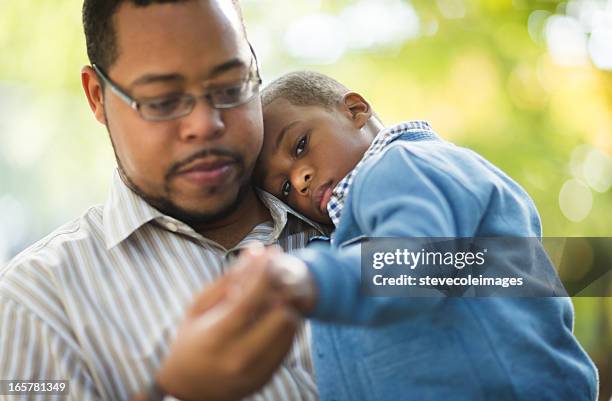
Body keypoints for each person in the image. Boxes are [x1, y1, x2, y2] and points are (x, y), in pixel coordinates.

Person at [0, 2, 326, 401]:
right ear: (97, 96)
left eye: (230, 86)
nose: (206, 124)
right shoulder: (39, 301)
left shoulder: (349, 199)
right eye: (162, 100)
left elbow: (426, 275)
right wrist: (175, 392)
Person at [251, 71, 600, 401]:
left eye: (300, 146)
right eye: (284, 188)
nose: (299, 181)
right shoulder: (355, 221)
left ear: (354, 110)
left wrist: (312, 276)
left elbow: (419, 262)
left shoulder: (405, 165)